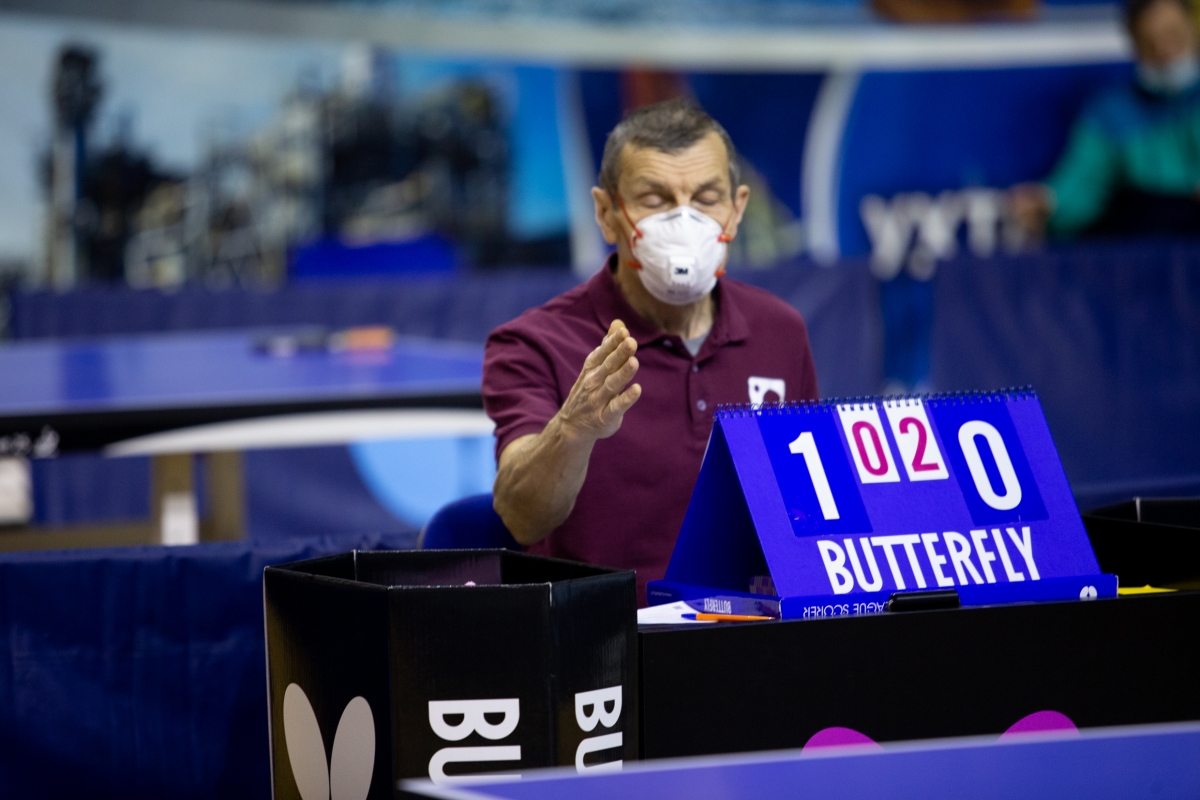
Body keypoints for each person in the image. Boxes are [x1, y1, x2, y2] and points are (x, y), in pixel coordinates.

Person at [483, 99, 819, 604]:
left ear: (736, 209)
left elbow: (809, 515)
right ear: (606, 213)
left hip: (750, 631)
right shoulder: (533, 343)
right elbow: (520, 516)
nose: (684, 222)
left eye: (705, 198)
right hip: (608, 639)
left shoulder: (780, 331)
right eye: (655, 200)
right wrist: (572, 429)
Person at [1010, 0, 1200, 238]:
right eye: (1150, 43)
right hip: (1150, 238)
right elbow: (1081, 184)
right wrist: (1047, 204)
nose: (1164, 51)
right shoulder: (1109, 115)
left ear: (1193, 30)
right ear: (1134, 44)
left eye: (1173, 35)